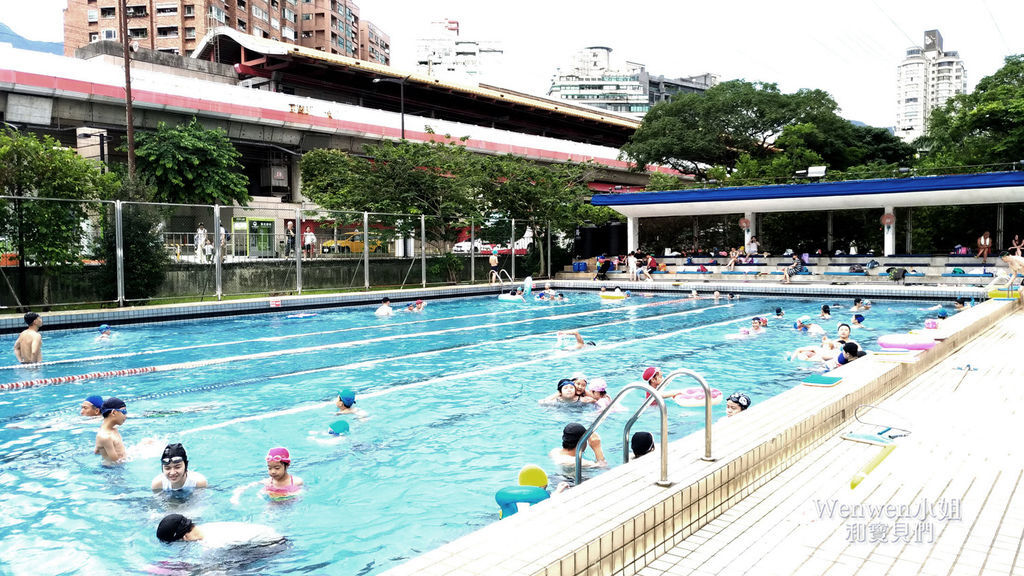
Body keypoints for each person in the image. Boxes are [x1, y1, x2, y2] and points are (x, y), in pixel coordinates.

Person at [156, 513, 285, 548]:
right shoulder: (206, 527)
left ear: (184, 538)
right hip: (270, 534)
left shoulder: (214, 543)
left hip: (274, 545)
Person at [95, 397, 127, 464]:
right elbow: (117, 462)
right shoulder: (105, 437)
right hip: (112, 471)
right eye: (124, 412)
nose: (126, 416)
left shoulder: (113, 429)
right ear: (114, 412)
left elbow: (96, 451)